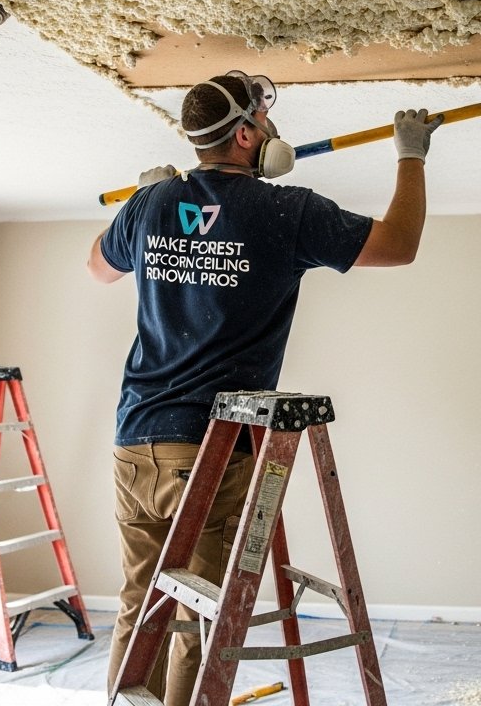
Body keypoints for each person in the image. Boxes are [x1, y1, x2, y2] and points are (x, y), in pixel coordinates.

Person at [86, 69, 442, 706]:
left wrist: (147, 205)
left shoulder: (153, 203)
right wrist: (411, 156)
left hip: (134, 441)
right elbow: (400, 246)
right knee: (199, 619)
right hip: (211, 452)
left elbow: (97, 267)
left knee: (139, 605)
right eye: (266, 119)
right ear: (248, 135)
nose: (275, 129)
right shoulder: (289, 210)